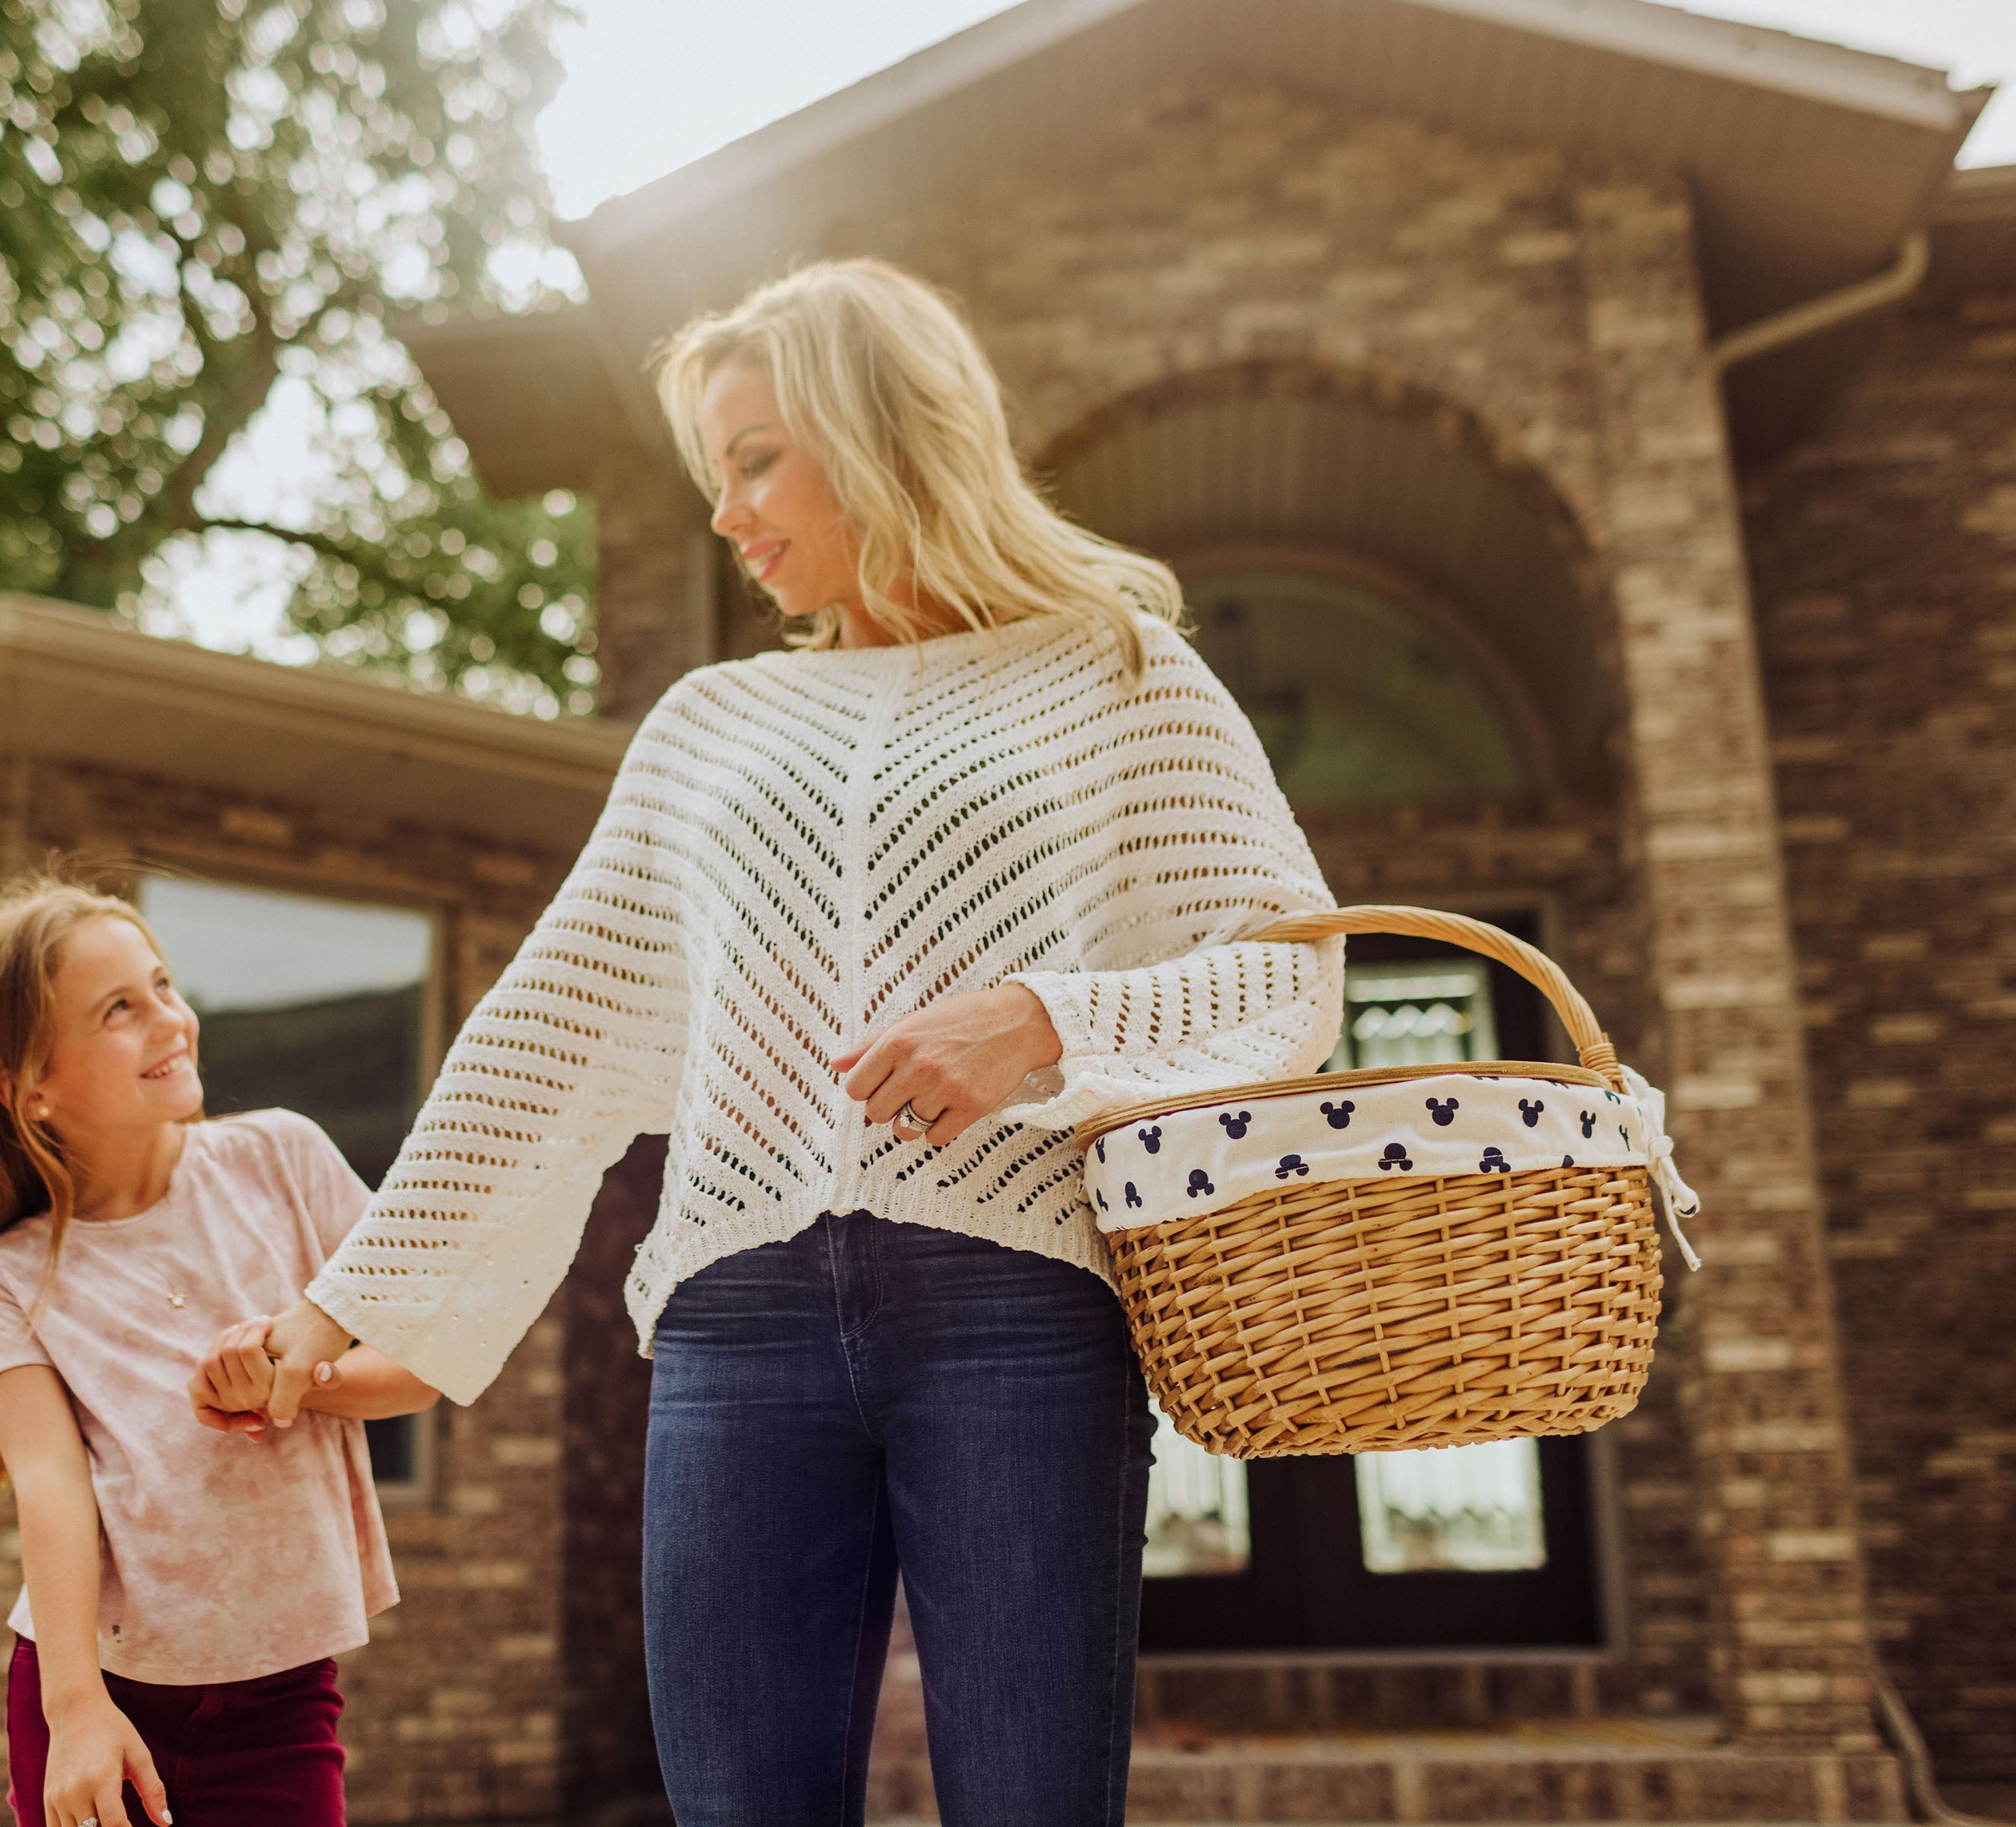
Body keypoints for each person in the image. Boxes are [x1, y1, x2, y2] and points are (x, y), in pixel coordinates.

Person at [198, 259, 1345, 1824]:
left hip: (1018, 1308)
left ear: (882, 435)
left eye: (755, 460)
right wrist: (338, 1311)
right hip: (738, 1326)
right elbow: (551, 1033)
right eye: (711, 474)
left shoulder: (1124, 675)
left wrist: (1045, 1023)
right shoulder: (707, 727)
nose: (728, 513)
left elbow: (1288, 979)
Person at [0, 875, 438, 1827]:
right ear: (30, 1088)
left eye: (162, 985)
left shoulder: (283, 1158)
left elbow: (425, 1360)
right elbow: (54, 1487)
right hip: (94, 1685)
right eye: (120, 1008)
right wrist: (74, 1711)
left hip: (281, 1690)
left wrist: (297, 1382)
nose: (170, 1019)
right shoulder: (0, 1276)